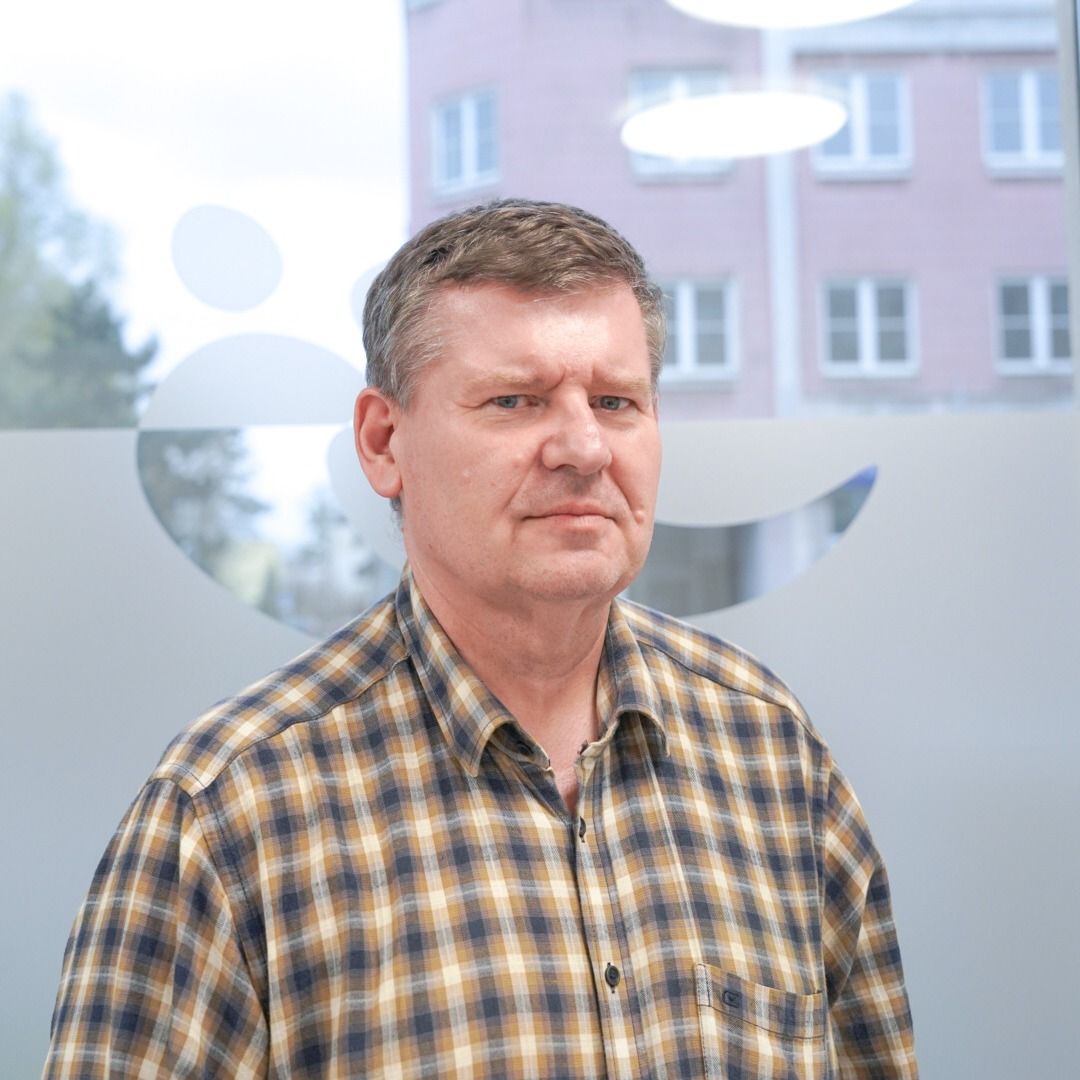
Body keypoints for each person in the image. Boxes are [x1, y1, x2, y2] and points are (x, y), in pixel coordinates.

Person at [44, 199, 917, 1078]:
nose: (584, 447)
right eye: (515, 401)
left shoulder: (770, 753)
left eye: (616, 401)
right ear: (383, 442)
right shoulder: (231, 811)